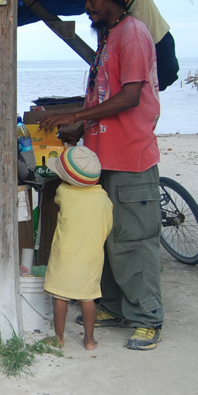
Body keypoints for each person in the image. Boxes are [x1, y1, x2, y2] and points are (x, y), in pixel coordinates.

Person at [38, 0, 164, 351]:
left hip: (131, 158)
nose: (87, 6)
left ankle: (147, 319)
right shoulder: (111, 38)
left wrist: (76, 116)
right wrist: (77, 125)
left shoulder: (134, 34)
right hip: (102, 158)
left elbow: (129, 97)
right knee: (102, 238)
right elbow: (99, 101)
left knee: (133, 241)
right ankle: (111, 306)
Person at [43, 146, 113, 350]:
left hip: (65, 253)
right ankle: (89, 341)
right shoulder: (104, 199)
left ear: (66, 179)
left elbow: (60, 202)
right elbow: (107, 227)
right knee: (88, 297)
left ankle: (59, 339)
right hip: (91, 255)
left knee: (60, 296)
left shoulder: (63, 192)